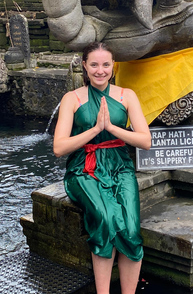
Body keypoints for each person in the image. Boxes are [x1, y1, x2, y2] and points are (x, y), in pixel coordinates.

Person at [53, 42, 151, 294]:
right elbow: (59, 147)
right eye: (94, 64)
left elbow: (145, 141)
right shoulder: (71, 99)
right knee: (106, 218)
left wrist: (111, 128)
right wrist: (95, 130)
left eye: (105, 64)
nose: (100, 70)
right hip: (84, 170)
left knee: (130, 228)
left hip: (120, 167)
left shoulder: (126, 95)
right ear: (84, 66)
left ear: (113, 66)